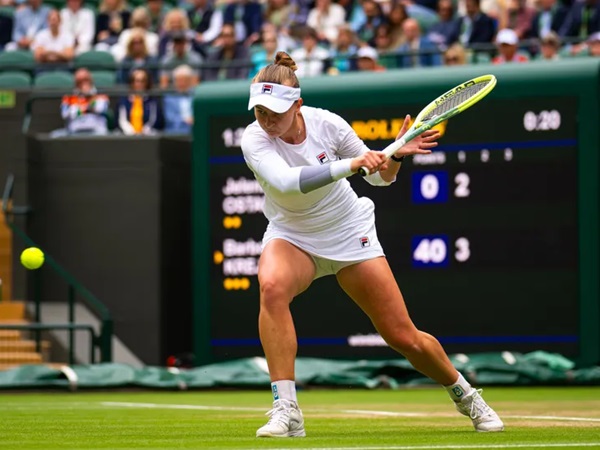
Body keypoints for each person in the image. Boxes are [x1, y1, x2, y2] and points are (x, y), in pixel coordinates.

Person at [241, 51, 505, 438]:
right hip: (292, 234)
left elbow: (380, 179)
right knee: (271, 287)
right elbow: (286, 183)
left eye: (274, 113)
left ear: (298, 105)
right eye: (259, 111)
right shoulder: (254, 137)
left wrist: (394, 156)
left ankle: (466, 396)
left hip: (348, 231)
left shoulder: (328, 124)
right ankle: (287, 409)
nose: (266, 120)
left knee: (401, 335)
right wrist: (351, 164)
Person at [56, 68, 110, 136]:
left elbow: (100, 109)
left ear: (91, 80)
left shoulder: (100, 95)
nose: (83, 83)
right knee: (55, 135)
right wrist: (83, 107)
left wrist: (88, 100)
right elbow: (65, 114)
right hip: (75, 132)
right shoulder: (68, 98)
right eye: (80, 81)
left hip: (97, 132)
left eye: (86, 79)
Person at [117, 68, 164, 135]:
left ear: (147, 83)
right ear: (132, 83)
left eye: (143, 81)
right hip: (127, 137)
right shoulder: (123, 100)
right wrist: (131, 132)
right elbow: (121, 120)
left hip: (148, 137)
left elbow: (155, 120)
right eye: (137, 81)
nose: (139, 84)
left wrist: (144, 131)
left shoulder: (152, 101)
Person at [163, 64, 196, 133]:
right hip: (174, 132)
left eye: (185, 80)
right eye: (179, 80)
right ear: (175, 82)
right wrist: (185, 120)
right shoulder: (169, 98)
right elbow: (170, 118)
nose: (182, 83)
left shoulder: (196, 95)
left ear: (190, 81)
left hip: (195, 130)